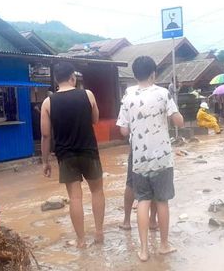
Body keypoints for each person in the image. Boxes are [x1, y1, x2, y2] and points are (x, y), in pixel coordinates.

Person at [116, 56, 184, 262]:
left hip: (139, 158)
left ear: (135, 75)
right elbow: (179, 122)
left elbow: (123, 130)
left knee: (143, 200)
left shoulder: (127, 97)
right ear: (153, 74)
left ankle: (144, 250)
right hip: (162, 158)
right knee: (162, 201)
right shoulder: (163, 93)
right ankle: (163, 245)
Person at [40, 62, 105, 248]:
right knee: (97, 191)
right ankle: (99, 233)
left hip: (65, 155)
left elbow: (45, 135)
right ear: (73, 77)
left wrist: (45, 161)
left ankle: (81, 241)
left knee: (75, 198)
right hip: (89, 151)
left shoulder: (48, 102)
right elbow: (95, 120)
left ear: (55, 80)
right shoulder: (88, 94)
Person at [119, 151, 158, 231]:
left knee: (131, 182)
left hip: (138, 146)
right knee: (154, 181)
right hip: (155, 147)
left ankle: (127, 221)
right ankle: (153, 221)